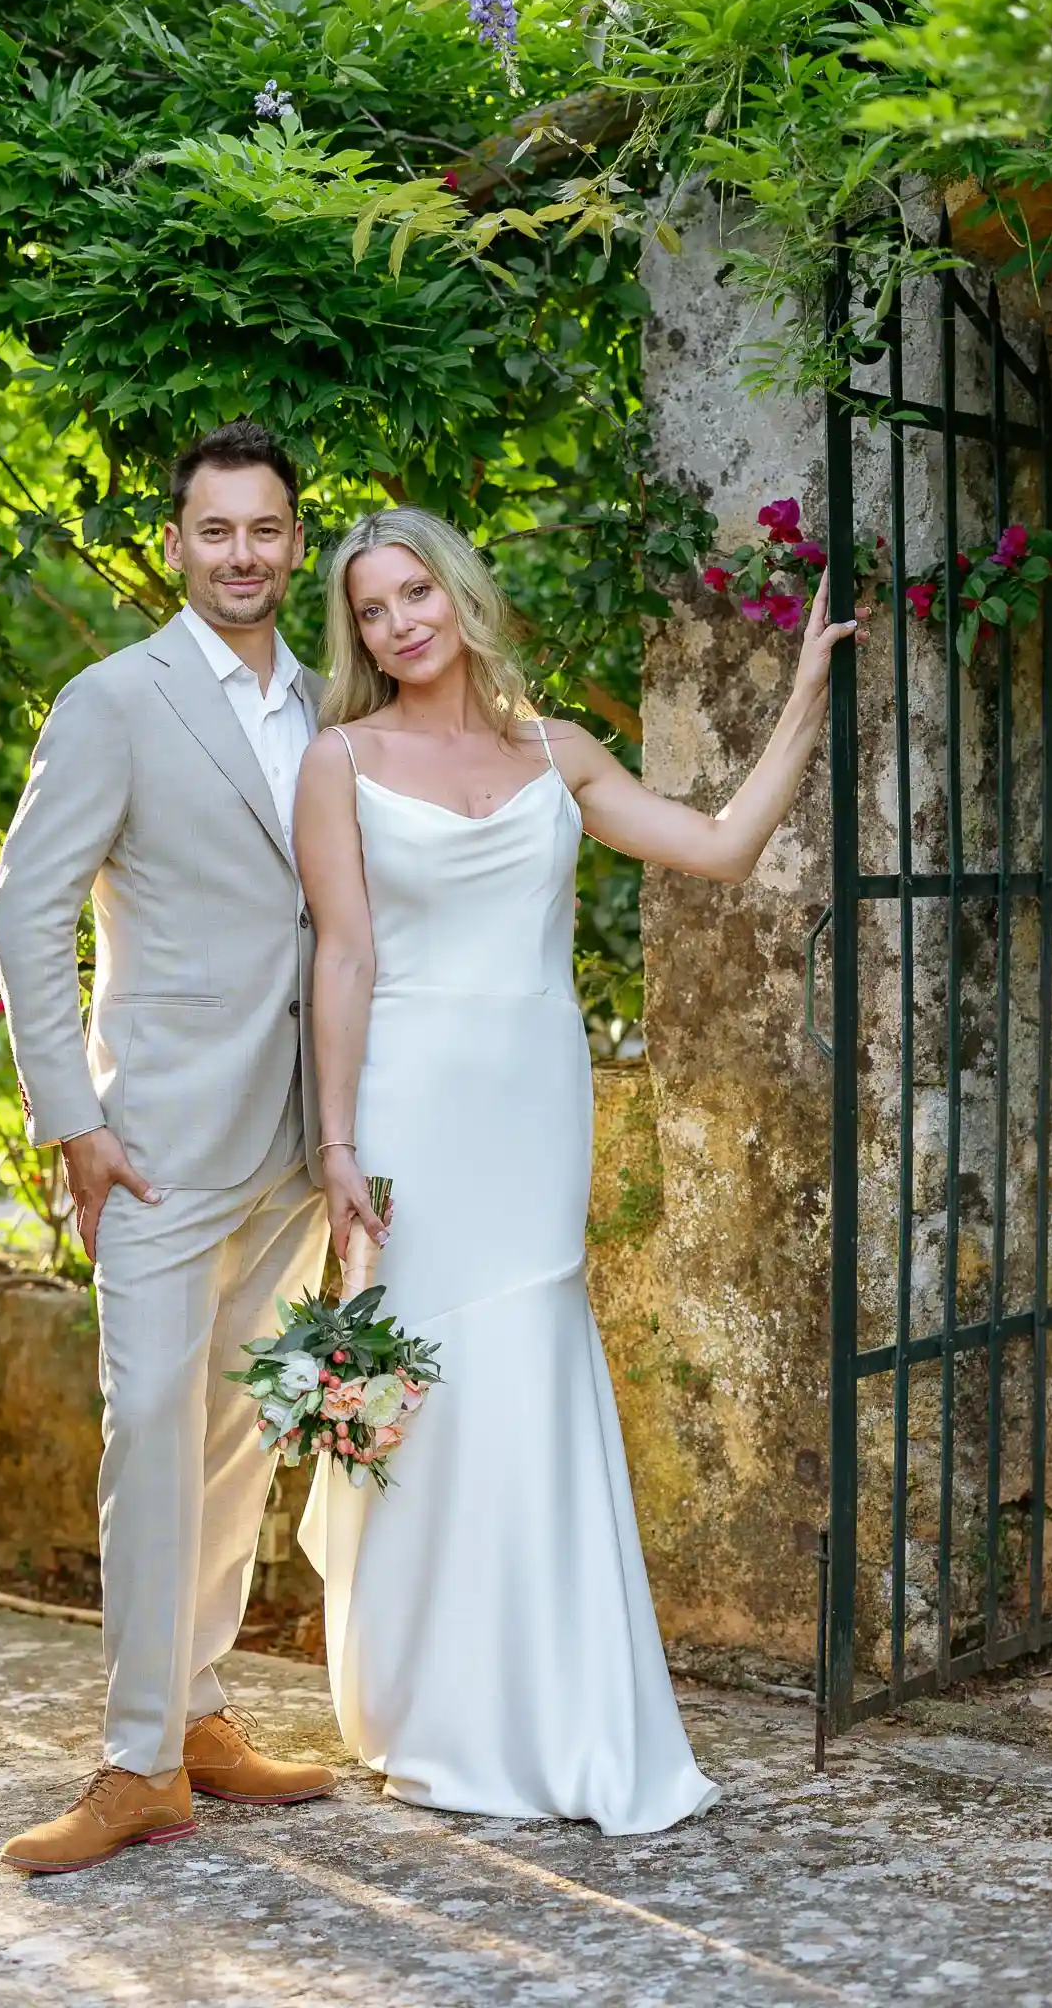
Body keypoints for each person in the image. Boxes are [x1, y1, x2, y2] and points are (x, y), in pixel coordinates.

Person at [294, 510, 862, 1829]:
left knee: (530, 1362)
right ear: (360, 636)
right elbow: (343, 960)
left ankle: (555, 1703)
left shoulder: (560, 752)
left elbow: (719, 846)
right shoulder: (341, 760)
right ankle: (427, 1703)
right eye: (372, 611)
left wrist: (808, 696)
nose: (398, 625)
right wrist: (334, 1146)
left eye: (414, 593)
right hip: (408, 1113)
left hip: (533, 1110)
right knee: (418, 1391)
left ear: (457, 593)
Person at [0, 421, 335, 1875]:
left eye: (266, 530)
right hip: (158, 1142)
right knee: (147, 1431)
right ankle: (133, 1764)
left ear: (294, 544)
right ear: (177, 543)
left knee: (241, 1434)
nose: (242, 554)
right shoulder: (115, 699)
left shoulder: (331, 700)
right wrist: (73, 1120)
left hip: (299, 1136)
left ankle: (198, 1719)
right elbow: (26, 908)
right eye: (216, 531)